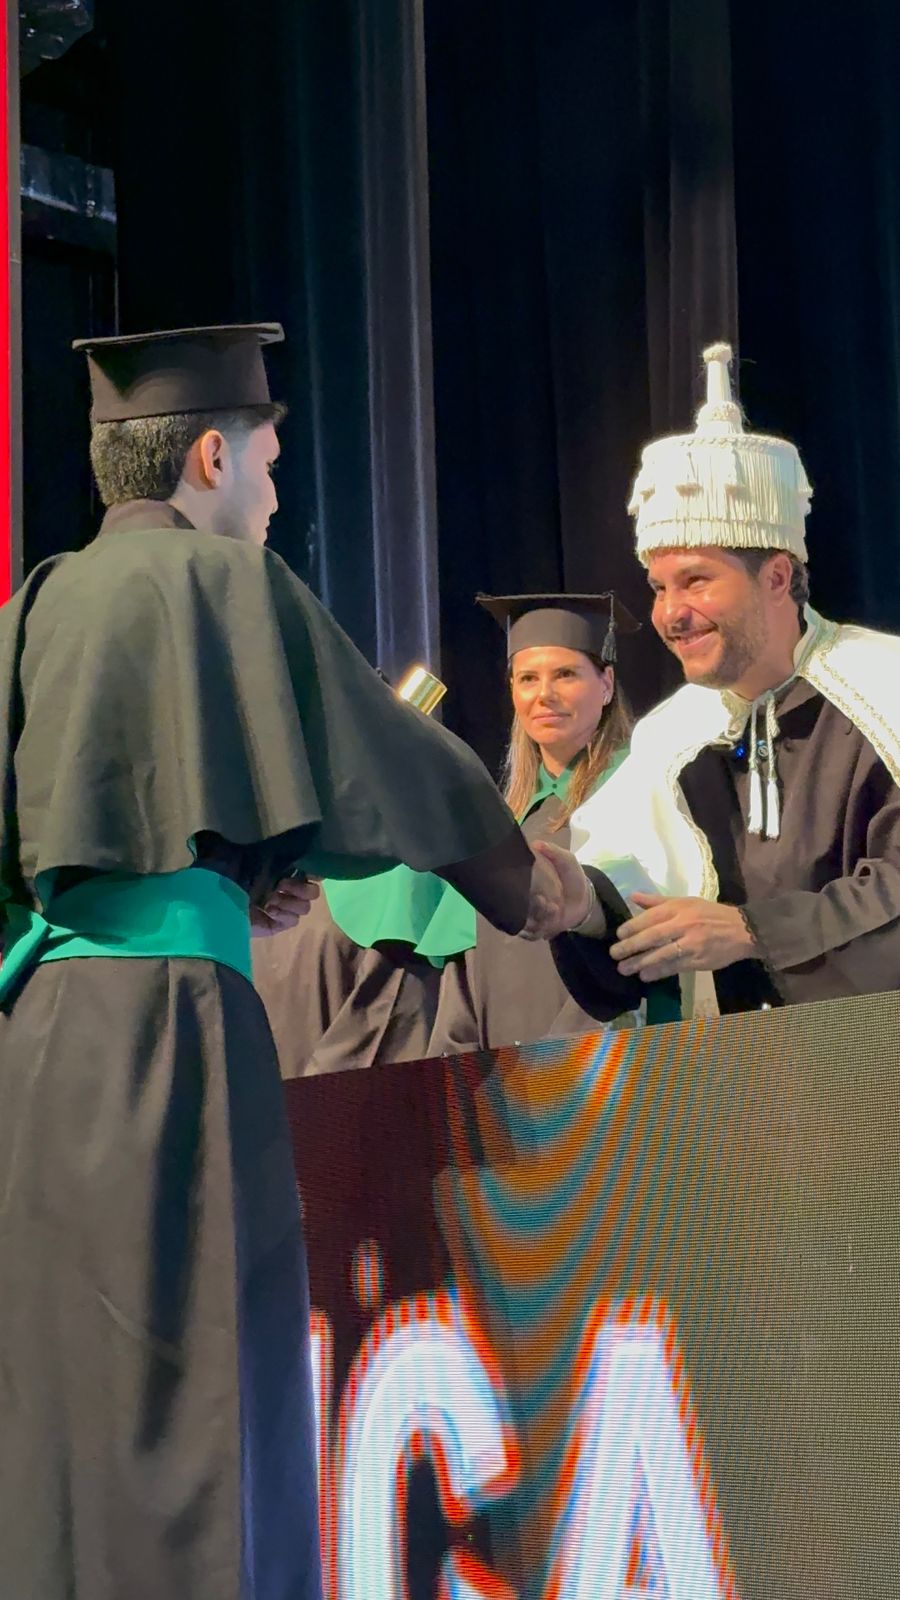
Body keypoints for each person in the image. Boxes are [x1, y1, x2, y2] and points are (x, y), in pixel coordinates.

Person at [0, 323, 576, 1600]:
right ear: (210, 456)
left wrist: (229, 887)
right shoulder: (231, 583)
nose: (272, 498)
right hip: (172, 1039)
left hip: (35, 1047)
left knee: (57, 1393)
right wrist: (519, 879)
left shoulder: (30, 606)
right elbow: (387, 750)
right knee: (206, 1378)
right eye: (267, 465)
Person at [543, 341, 900, 1020]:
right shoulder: (672, 737)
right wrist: (582, 908)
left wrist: (751, 932)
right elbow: (640, 902)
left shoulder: (886, 688)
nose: (670, 613)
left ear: (777, 577)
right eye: (659, 587)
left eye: (696, 580)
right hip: (746, 1071)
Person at [430, 590, 650, 1050]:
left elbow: (629, 960)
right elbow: (463, 974)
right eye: (528, 678)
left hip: (596, 1068)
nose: (544, 695)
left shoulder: (640, 796)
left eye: (566, 674)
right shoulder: (498, 823)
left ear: (606, 684)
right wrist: (456, 1067)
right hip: (496, 1076)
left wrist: (553, 1069)